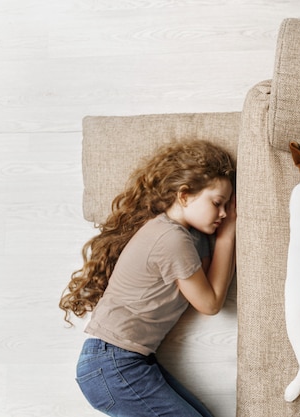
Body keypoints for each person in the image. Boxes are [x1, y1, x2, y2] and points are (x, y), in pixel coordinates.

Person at [59, 140, 236, 417]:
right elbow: (210, 303)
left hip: (124, 362)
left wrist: (218, 232)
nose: (224, 213)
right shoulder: (171, 238)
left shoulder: (190, 237)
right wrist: (229, 233)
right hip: (113, 363)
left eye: (227, 206)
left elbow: (209, 286)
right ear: (184, 195)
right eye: (217, 203)